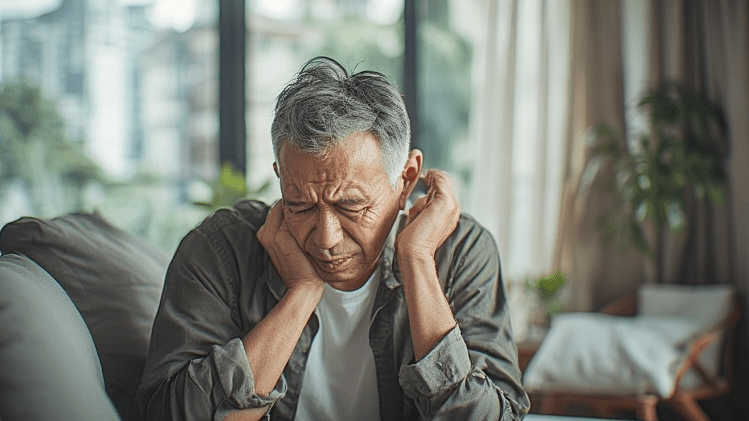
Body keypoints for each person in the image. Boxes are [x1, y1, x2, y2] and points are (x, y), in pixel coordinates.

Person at [137, 57, 529, 421]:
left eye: (351, 205)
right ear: (280, 176)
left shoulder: (460, 253)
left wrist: (418, 261)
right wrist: (301, 294)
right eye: (300, 205)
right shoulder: (220, 250)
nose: (326, 239)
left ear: (407, 179)